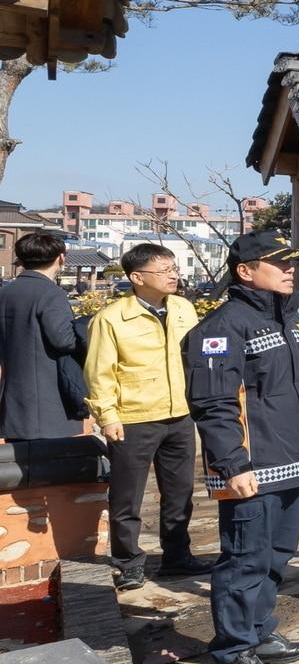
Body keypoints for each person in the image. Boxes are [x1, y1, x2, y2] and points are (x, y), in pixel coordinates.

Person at [184, 231, 299, 664]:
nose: (292, 270)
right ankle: (231, 658)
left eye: (293, 263)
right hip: (251, 466)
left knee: (275, 557)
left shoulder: (290, 318)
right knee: (243, 561)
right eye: (279, 263)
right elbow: (214, 404)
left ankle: (259, 632)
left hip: (293, 457)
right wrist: (232, 464)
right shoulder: (223, 326)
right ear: (245, 271)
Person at [84, 244, 214, 591]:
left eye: (174, 268)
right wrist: (108, 416)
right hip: (133, 417)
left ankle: (177, 555)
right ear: (137, 278)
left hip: (180, 414)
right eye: (164, 270)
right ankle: (128, 561)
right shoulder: (112, 318)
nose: (173, 275)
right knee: (127, 495)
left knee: (180, 491)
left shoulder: (185, 308)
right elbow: (100, 372)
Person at [0, 232, 86, 440]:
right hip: (48, 396)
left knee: (20, 461)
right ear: (61, 258)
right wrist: (86, 327)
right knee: (49, 464)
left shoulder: (6, 292)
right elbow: (63, 340)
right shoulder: (50, 293)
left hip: (12, 391)